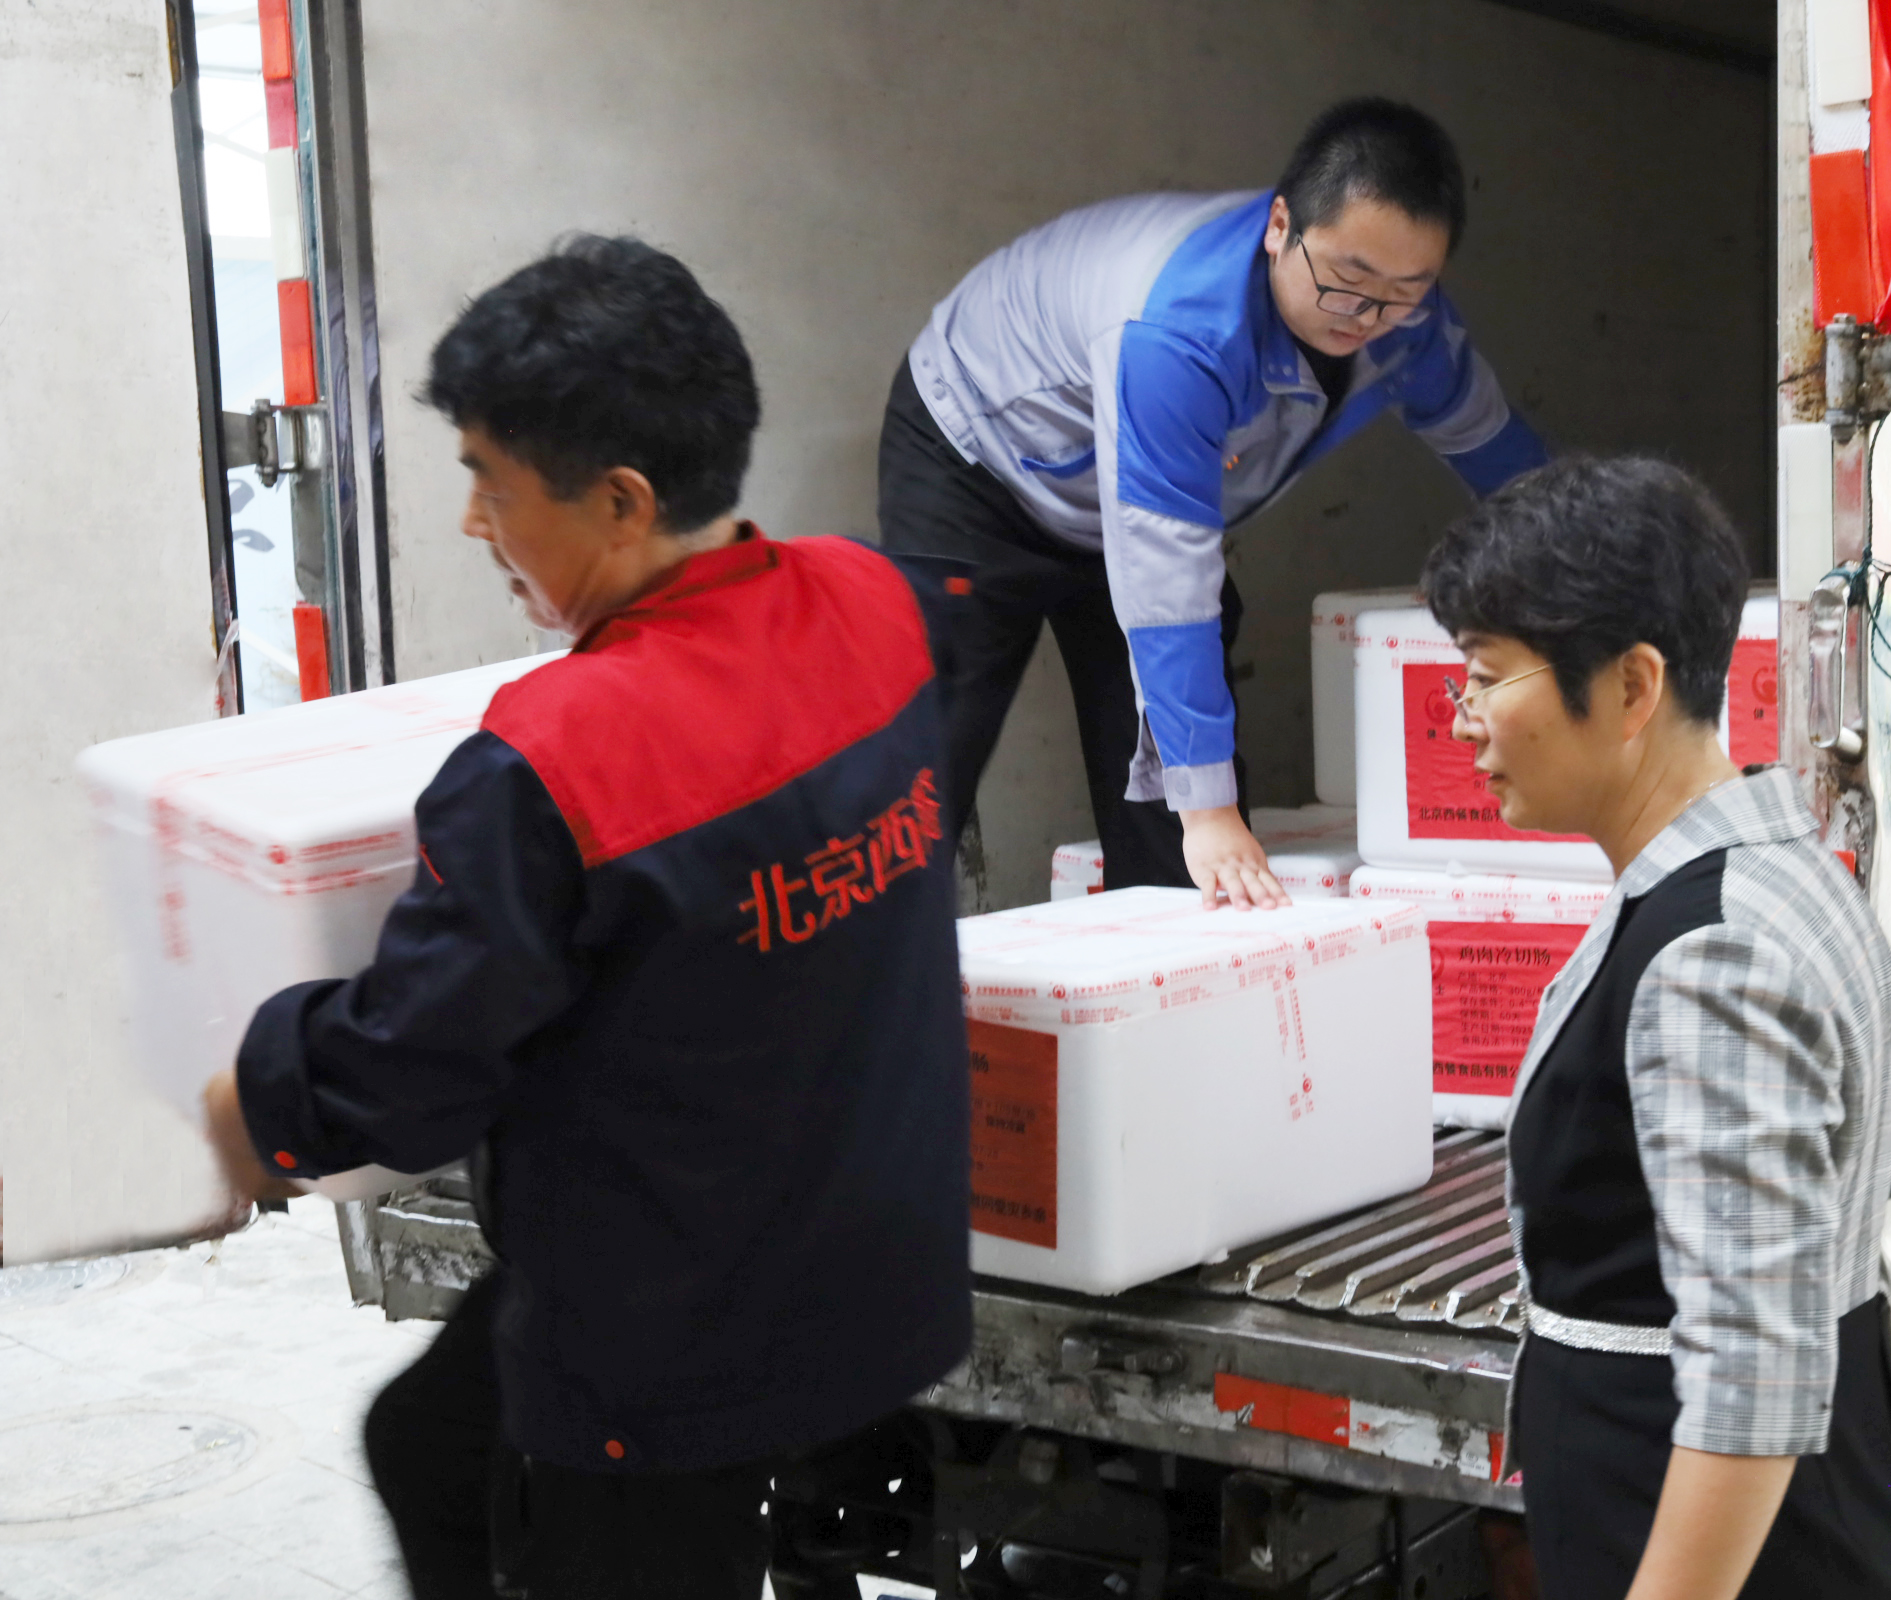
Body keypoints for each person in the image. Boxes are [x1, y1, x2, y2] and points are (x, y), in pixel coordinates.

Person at [200, 237, 972, 1600]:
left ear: (621, 501)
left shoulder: (557, 758)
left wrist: (262, 1100)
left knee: (532, 1508)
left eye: (489, 485)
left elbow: (415, 1077)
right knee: (430, 1446)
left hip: (671, 1340)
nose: (473, 523)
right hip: (874, 1261)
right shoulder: (876, 599)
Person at [1421, 455, 1891, 1598]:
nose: (1465, 724)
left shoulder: (1712, 951)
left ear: (1632, 686)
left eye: (1487, 678)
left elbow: (1754, 1373)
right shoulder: (1771, 874)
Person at [882, 96, 1546, 909]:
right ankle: (867, 965)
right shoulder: (1182, 329)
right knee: (937, 741)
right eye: (1347, 284)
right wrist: (1210, 812)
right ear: (1280, 226)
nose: (1371, 318)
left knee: (1176, 828)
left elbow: (1505, 464)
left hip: (1132, 498)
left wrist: (1594, 577)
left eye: (1407, 290)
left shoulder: (1413, 330)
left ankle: (1168, 967)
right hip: (980, 454)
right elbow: (1167, 582)